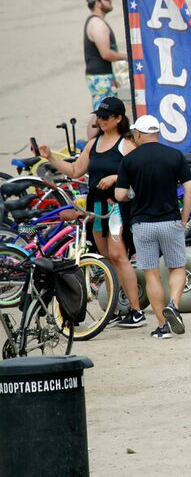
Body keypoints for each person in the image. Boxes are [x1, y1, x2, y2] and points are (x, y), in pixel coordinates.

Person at [39, 96, 143, 328]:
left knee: (119, 255)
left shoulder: (125, 144)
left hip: (116, 206)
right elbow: (76, 170)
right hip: (95, 207)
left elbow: (138, 172)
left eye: (105, 117)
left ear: (118, 119)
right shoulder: (93, 144)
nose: (100, 120)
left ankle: (136, 311)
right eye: (99, 116)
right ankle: (117, 308)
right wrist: (51, 157)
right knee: (105, 258)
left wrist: (116, 177)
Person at [115, 115, 191, 339]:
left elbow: (120, 194)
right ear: (156, 133)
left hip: (142, 224)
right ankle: (174, 306)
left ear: (139, 134)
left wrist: (133, 192)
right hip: (170, 221)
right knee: (177, 267)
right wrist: (183, 218)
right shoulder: (174, 155)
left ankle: (162, 327)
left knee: (151, 274)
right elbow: (190, 190)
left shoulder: (129, 160)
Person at [84, 0, 128, 141]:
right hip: (100, 75)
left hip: (102, 74)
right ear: (97, 3)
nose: (110, 2)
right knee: (99, 112)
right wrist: (128, 57)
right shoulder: (97, 24)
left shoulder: (97, 22)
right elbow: (106, 53)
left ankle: (93, 145)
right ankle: (89, 147)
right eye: (107, 0)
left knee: (101, 110)